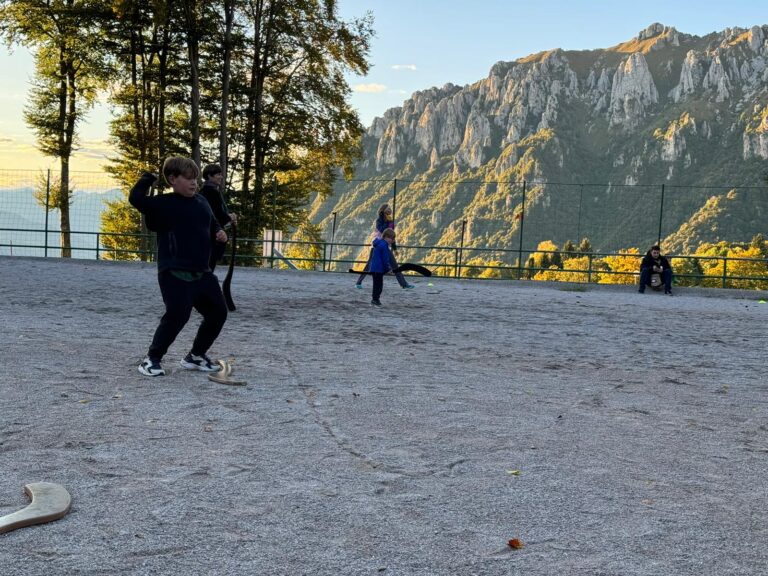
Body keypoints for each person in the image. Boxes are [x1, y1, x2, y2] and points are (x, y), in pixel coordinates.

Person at [129, 157, 229, 377]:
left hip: (202, 273)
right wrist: (148, 178)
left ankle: (195, 355)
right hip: (173, 272)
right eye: (188, 178)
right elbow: (136, 198)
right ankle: (151, 360)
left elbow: (213, 226)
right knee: (178, 314)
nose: (194, 183)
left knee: (218, 313)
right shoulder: (164, 203)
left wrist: (220, 235)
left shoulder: (202, 202)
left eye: (195, 178)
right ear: (173, 179)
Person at [355, 203, 414, 289]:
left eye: (390, 208)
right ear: (383, 211)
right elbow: (382, 230)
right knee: (369, 265)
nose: (390, 210)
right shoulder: (379, 220)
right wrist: (388, 223)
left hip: (386, 246)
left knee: (395, 266)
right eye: (388, 208)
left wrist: (394, 248)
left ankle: (404, 284)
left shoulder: (390, 221)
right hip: (377, 246)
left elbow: (391, 236)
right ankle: (358, 282)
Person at [198, 163, 237, 272]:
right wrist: (230, 218)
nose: (221, 177)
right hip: (212, 235)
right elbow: (216, 214)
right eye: (218, 174)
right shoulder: (211, 192)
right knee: (209, 266)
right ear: (210, 176)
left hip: (209, 233)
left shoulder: (206, 191)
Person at [370, 228, 397, 306]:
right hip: (378, 269)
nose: (393, 241)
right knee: (379, 286)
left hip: (374, 268)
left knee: (376, 284)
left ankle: (375, 299)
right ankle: (375, 300)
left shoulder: (378, 244)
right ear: (386, 237)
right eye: (392, 238)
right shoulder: (384, 246)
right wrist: (388, 269)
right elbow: (385, 259)